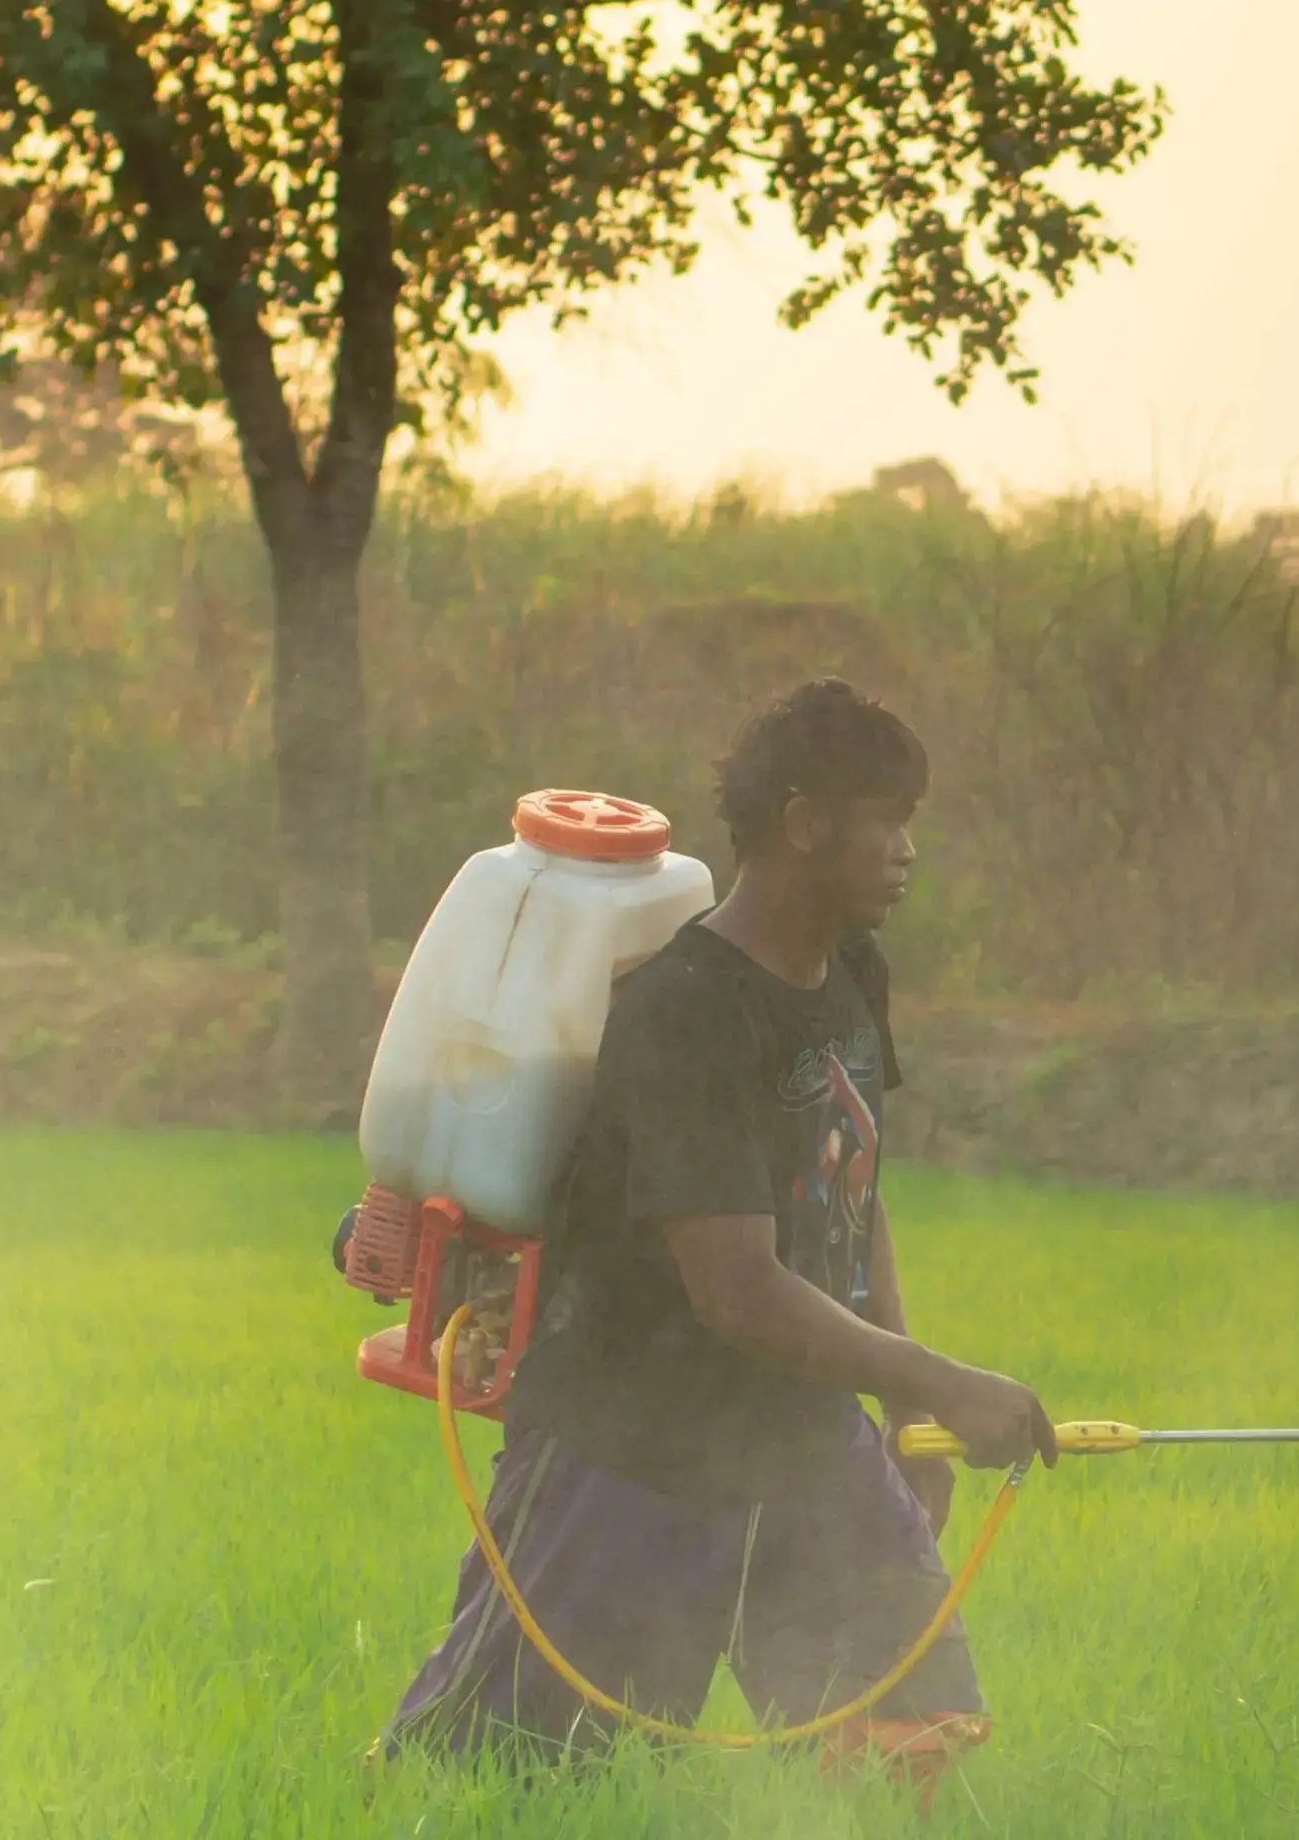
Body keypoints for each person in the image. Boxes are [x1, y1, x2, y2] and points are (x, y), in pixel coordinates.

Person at [376, 677, 1055, 1777]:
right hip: (632, 1444)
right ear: (803, 823)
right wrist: (938, 1378)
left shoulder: (850, 974)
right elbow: (734, 1287)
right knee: (493, 1780)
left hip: (798, 1436)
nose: (905, 851)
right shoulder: (683, 1013)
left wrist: (891, 1397)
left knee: (904, 1750)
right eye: (888, 819)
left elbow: (851, 1184)